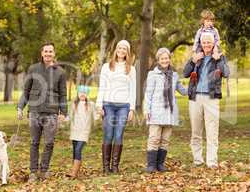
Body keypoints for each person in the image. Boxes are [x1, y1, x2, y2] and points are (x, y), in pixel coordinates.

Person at [17, 42, 67, 182]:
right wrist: (20, 107)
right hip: (35, 111)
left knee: (49, 142)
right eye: (45, 51)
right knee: (34, 142)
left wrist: (63, 112)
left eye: (50, 51)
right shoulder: (33, 69)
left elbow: (63, 94)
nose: (48, 54)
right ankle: (33, 171)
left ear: (54, 54)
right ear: (42, 53)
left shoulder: (60, 72)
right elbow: (26, 91)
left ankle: (44, 170)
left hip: (51, 112)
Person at [183, 32, 230, 169]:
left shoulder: (220, 57)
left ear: (214, 43)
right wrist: (193, 61)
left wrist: (218, 60)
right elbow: (185, 73)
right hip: (195, 97)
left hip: (211, 98)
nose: (206, 45)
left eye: (209, 42)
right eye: (204, 42)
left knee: (212, 131)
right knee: (196, 132)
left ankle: (212, 161)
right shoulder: (197, 56)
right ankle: (198, 160)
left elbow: (226, 73)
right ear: (201, 44)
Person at [143, 48, 187, 173]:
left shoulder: (174, 75)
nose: (165, 60)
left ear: (169, 59)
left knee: (165, 139)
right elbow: (148, 94)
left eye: (166, 58)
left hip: (169, 112)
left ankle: (160, 164)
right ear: (158, 60)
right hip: (156, 110)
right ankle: (151, 165)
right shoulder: (153, 74)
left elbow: (182, 90)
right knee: (154, 138)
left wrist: (194, 85)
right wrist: (146, 109)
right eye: (162, 58)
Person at [96, 39, 136, 174]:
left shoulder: (131, 69)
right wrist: (99, 105)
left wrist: (131, 109)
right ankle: (106, 167)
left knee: (118, 135)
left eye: (124, 49)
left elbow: (133, 89)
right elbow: (102, 86)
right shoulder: (107, 67)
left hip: (123, 106)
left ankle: (115, 166)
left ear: (127, 52)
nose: (121, 50)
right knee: (108, 134)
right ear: (116, 50)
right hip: (108, 105)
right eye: (119, 48)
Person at [66, 85, 98, 178]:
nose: (82, 95)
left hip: (84, 132)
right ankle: (75, 170)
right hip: (74, 131)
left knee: (78, 149)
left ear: (87, 94)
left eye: (85, 93)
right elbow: (69, 117)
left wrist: (101, 113)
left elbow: (96, 116)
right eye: (81, 93)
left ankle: (74, 174)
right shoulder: (74, 104)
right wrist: (63, 118)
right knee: (75, 150)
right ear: (78, 94)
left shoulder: (91, 105)